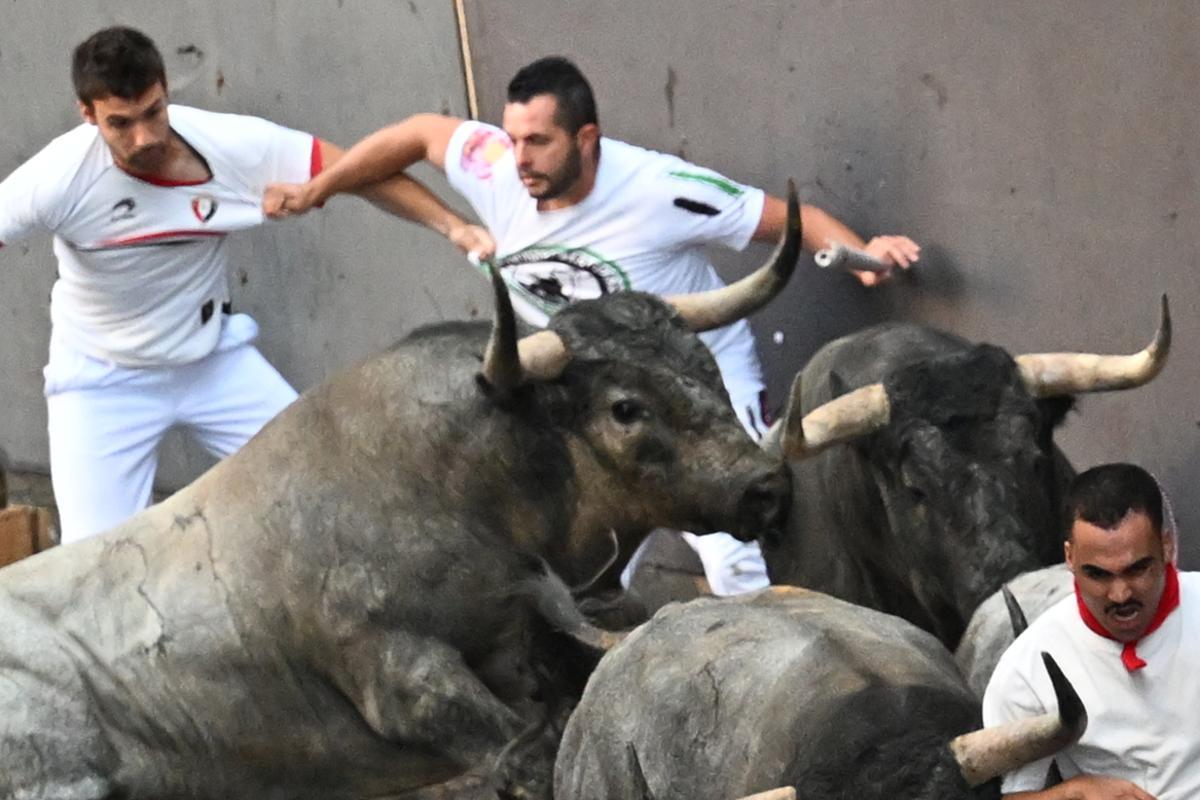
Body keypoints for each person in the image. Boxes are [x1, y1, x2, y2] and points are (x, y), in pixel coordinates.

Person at [264, 56, 920, 595]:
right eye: (512, 137)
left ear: (586, 139)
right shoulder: (495, 165)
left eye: (538, 142)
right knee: (580, 569)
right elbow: (417, 133)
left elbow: (783, 222)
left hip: (699, 384)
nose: (519, 159)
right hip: (594, 395)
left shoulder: (663, 189)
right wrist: (321, 189)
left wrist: (863, 254)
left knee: (734, 556)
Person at [0, 26, 492, 544]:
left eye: (153, 112)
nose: (144, 137)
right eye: (120, 124)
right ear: (88, 114)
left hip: (211, 361)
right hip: (101, 381)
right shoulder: (60, 174)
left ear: (166, 89)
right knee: (90, 568)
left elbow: (358, 170)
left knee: (335, 488)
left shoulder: (234, 144)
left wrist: (453, 225)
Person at [982, 463, 1198, 800]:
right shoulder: (1024, 671)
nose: (1121, 594)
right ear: (1069, 556)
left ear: (1167, 546)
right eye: (1098, 575)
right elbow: (1009, 797)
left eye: (1137, 569)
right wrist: (1075, 794)